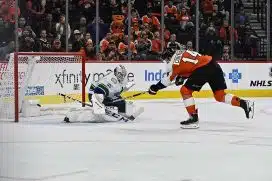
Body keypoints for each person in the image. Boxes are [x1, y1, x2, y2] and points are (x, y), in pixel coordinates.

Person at [148, 49, 254, 129]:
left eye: (165, 60)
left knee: (185, 90)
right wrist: (183, 76)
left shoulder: (174, 64)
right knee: (220, 96)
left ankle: (193, 118)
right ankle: (244, 103)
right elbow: (192, 64)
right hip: (213, 64)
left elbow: (166, 80)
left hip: (203, 69)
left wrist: (155, 88)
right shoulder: (181, 51)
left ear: (168, 58)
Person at [64, 65, 143, 123]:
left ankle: (122, 115)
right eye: (120, 74)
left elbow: (119, 89)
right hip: (95, 95)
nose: (122, 76)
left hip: (106, 95)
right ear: (116, 73)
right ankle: (72, 116)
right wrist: (99, 104)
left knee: (122, 102)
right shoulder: (110, 80)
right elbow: (98, 91)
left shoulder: (120, 79)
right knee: (98, 112)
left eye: (123, 75)